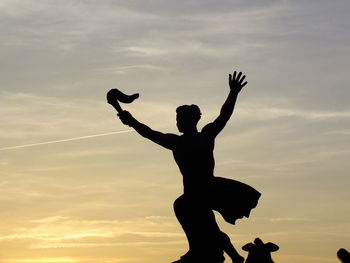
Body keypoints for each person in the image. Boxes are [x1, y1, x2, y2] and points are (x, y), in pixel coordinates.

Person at [109, 70, 260, 263]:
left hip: (203, 191)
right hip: (195, 193)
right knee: (207, 225)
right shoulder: (181, 141)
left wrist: (233, 93)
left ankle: (209, 253)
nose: (178, 123)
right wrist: (131, 122)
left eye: (180, 120)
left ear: (191, 120)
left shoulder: (199, 138)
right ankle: (219, 254)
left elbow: (224, 116)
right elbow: (148, 132)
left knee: (191, 213)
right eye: (177, 119)